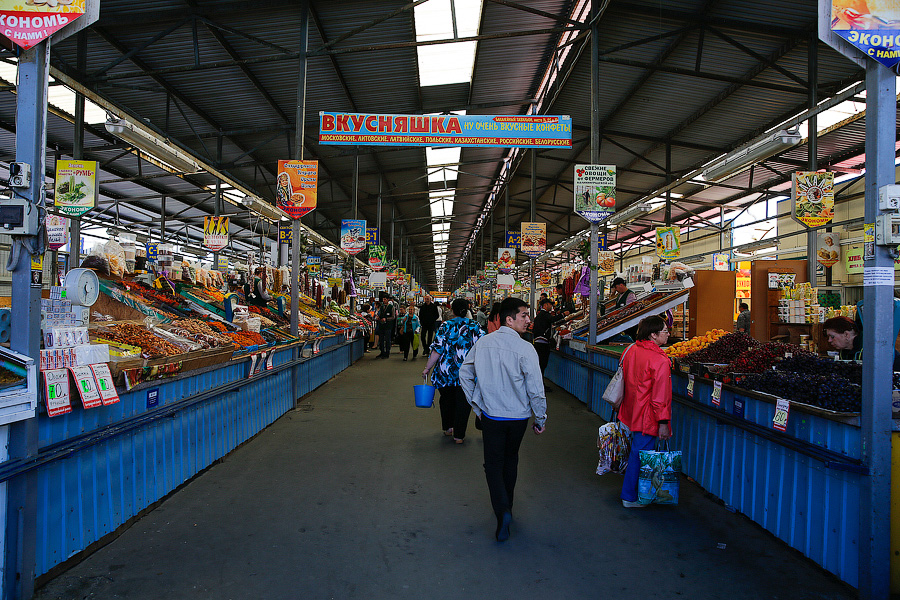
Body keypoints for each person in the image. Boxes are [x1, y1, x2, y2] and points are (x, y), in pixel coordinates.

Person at [459, 297, 547, 542]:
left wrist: (476, 404)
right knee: (511, 460)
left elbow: (464, 373)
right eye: (524, 315)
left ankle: (502, 511)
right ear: (509, 319)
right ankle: (508, 505)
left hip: (491, 416)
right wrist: (540, 418)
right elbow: (536, 389)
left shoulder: (483, 343)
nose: (528, 320)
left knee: (493, 464)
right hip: (518, 417)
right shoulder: (526, 349)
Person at [617, 315, 672, 508]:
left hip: (631, 410)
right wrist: (663, 422)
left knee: (636, 452)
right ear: (653, 335)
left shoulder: (631, 350)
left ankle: (634, 493)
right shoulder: (660, 360)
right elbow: (660, 396)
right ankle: (630, 497)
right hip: (647, 416)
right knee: (640, 456)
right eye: (665, 331)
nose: (668, 334)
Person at [421, 298, 484, 444]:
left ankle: (449, 428)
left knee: (446, 400)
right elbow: (482, 348)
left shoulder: (445, 326)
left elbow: (437, 349)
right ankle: (459, 436)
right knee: (463, 403)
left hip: (445, 372)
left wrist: (427, 368)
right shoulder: (475, 327)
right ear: (467, 310)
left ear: (452, 310)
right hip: (467, 373)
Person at [532, 297, 567, 382]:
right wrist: (563, 314)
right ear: (545, 305)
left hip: (538, 342)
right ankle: (540, 384)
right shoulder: (545, 315)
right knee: (542, 364)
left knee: (540, 364)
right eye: (550, 304)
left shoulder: (540, 315)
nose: (551, 306)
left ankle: (540, 383)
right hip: (542, 343)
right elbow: (552, 319)